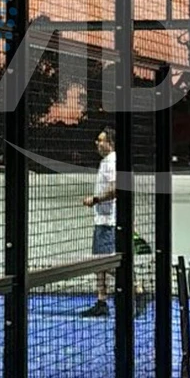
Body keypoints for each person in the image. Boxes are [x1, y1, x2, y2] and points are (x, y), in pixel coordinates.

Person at [79, 129, 148, 317]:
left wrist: (95, 199)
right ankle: (101, 302)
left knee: (108, 263)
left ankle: (138, 290)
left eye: (100, 140)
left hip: (109, 221)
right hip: (103, 220)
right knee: (98, 263)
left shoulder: (112, 162)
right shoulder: (107, 162)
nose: (97, 143)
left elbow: (116, 188)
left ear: (110, 143)